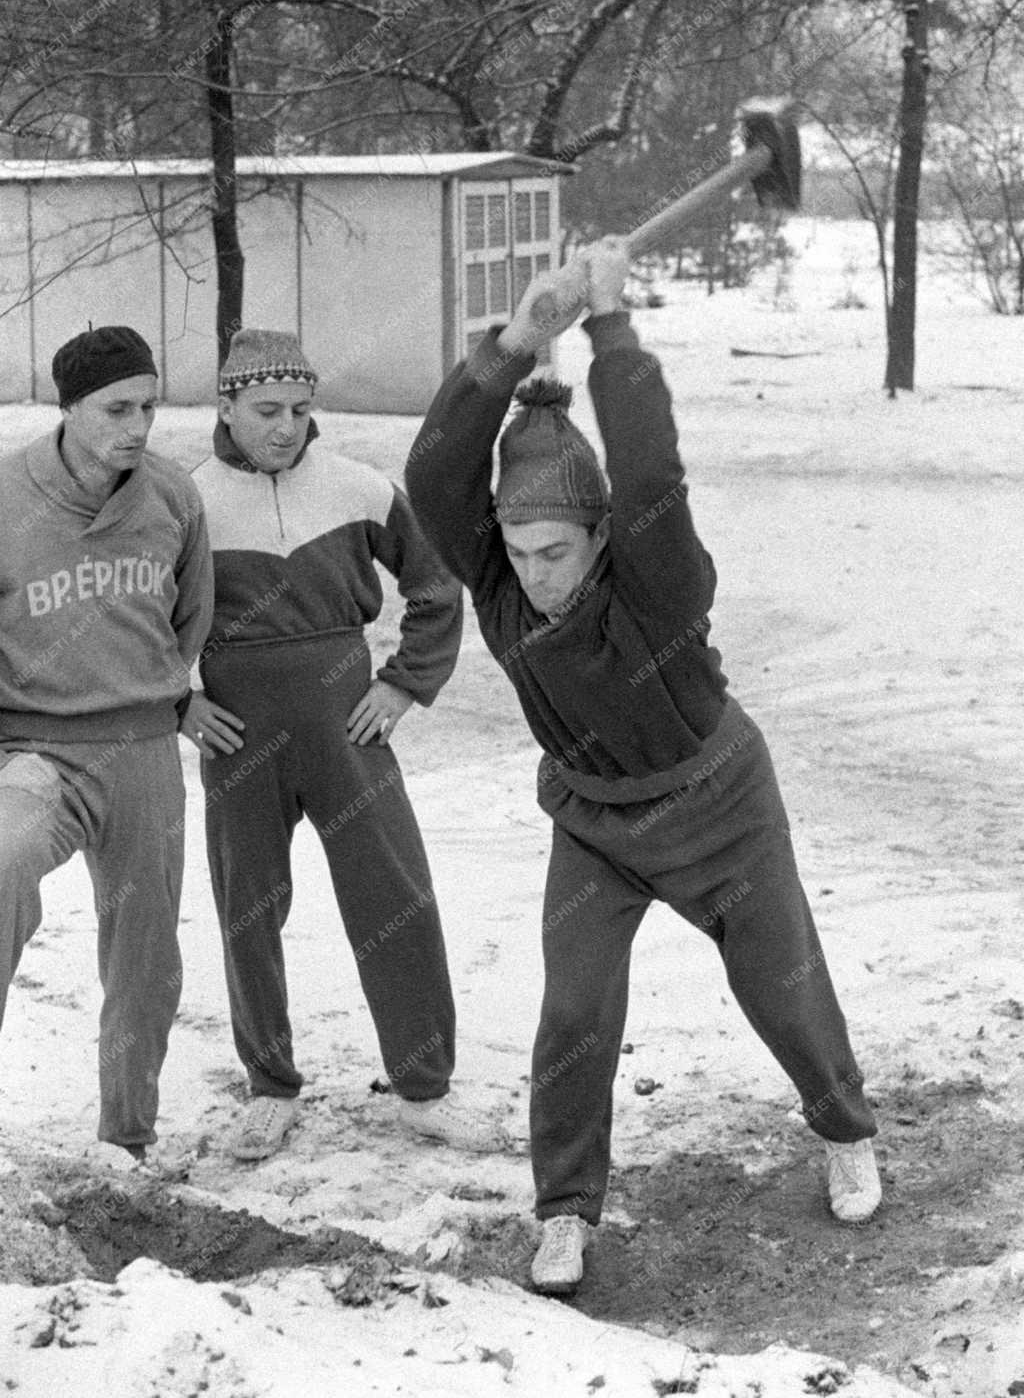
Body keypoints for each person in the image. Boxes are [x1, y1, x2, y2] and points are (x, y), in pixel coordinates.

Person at [404, 239, 881, 1295]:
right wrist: (519, 339)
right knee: (573, 1011)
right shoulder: (498, 579)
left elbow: (652, 465)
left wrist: (612, 326)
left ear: (600, 535)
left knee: (781, 987)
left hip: (719, 808)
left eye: (555, 553)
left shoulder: (654, 579)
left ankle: (845, 1128)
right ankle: (565, 1210)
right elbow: (435, 471)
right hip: (597, 825)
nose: (533, 577)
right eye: (517, 552)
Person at [186, 327, 505, 1161]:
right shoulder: (187, 502)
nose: (286, 426)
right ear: (226, 405)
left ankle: (426, 1085)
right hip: (238, 730)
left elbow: (437, 585)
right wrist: (178, 704)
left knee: (392, 889)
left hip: (345, 721)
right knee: (247, 906)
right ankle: (269, 1086)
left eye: (298, 408)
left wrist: (402, 681)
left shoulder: (359, 486)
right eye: (265, 410)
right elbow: (140, 622)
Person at [0, 325, 214, 1171]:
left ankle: (127, 1140)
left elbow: (190, 618)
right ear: (69, 408)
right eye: (117, 408)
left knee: (146, 953)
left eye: (149, 406)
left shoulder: (170, 497)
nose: (138, 425)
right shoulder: (7, 496)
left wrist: (166, 696)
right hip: (37, 751)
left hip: (141, 750)